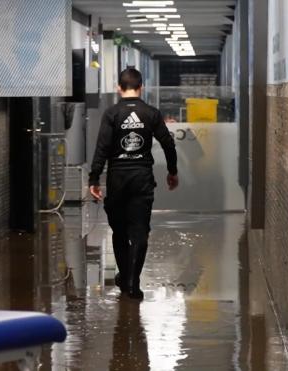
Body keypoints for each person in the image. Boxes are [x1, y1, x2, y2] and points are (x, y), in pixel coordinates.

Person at [89, 68, 178, 300]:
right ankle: (133, 282)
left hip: (117, 179)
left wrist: (93, 178)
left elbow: (102, 148)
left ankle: (126, 277)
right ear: (141, 87)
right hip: (142, 180)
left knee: (119, 232)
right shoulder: (150, 113)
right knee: (140, 232)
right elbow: (168, 143)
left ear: (119, 87)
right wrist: (172, 171)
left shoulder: (112, 113)